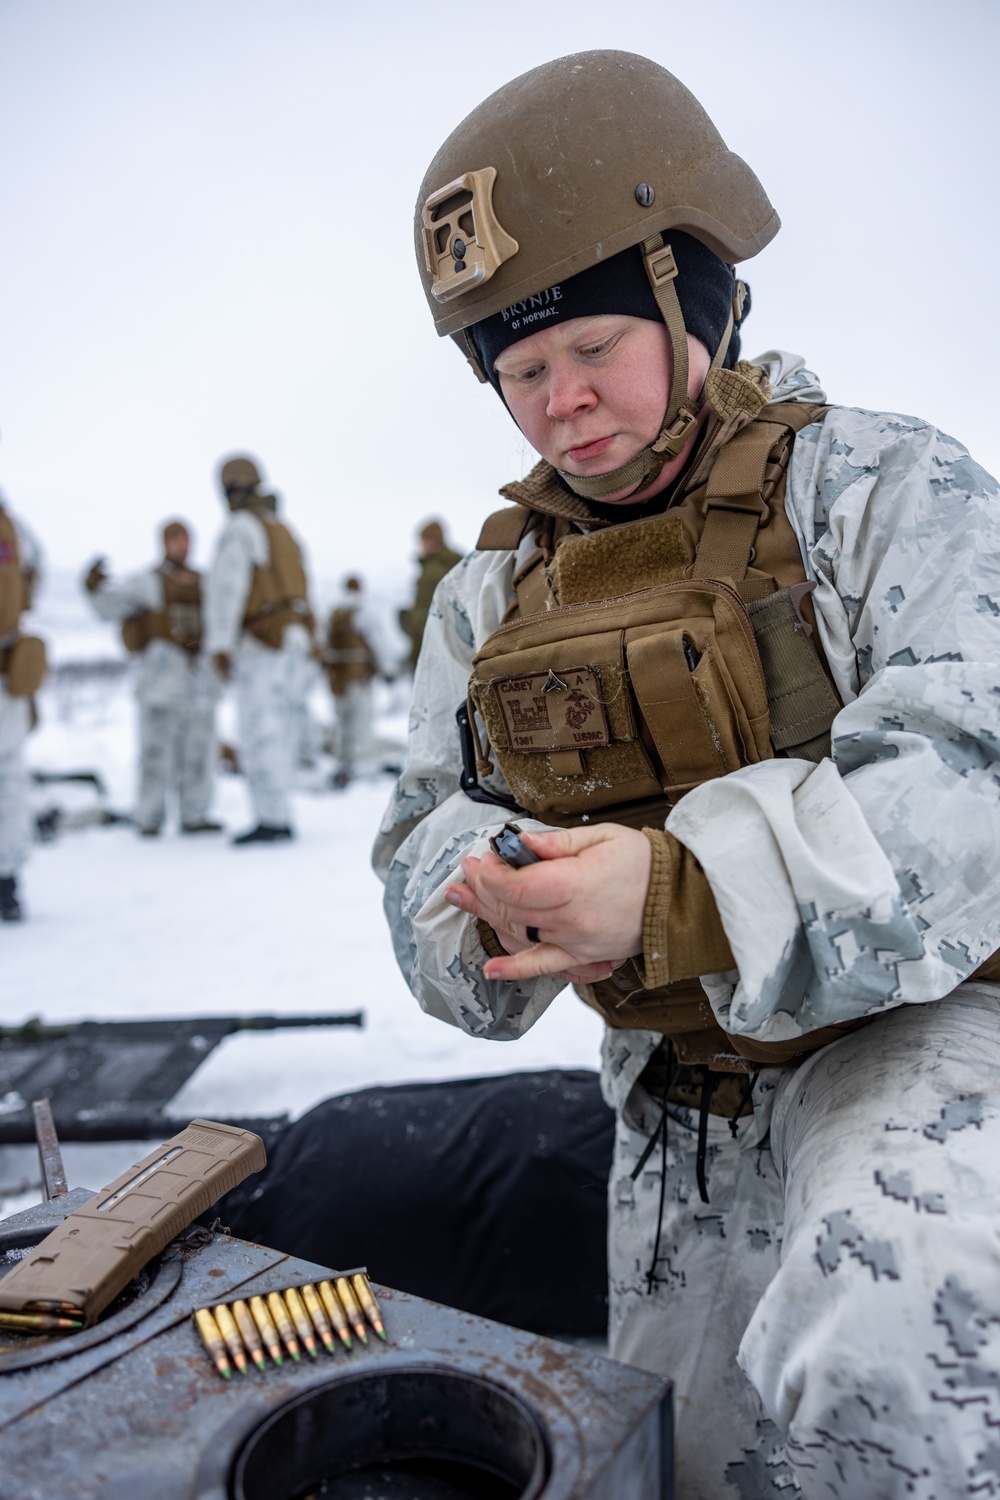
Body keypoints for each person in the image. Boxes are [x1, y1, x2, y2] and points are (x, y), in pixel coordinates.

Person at [374, 50, 1000, 1500]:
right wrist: (491, 907)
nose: (558, 404)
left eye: (592, 346)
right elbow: (420, 830)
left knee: (889, 1348)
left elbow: (973, 768)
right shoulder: (491, 598)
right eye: (518, 371)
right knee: (670, 1456)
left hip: (913, 1054)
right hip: (674, 1112)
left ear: (695, 296)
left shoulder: (883, 493)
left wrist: (684, 890)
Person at [83, 521, 221, 837]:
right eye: (175, 539)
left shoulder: (206, 583)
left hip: (198, 684)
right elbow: (110, 607)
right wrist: (93, 588)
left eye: (186, 538)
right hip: (159, 685)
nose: (182, 545)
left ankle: (195, 815)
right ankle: (149, 817)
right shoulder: (146, 583)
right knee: (155, 757)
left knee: (199, 756)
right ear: (164, 543)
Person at [204, 454, 313, 844]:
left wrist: (219, 643)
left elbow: (226, 589)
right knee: (281, 730)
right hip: (292, 637)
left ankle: (272, 817)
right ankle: (279, 812)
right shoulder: (281, 528)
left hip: (262, 641)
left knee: (259, 730)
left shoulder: (240, 528)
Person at [0, 495, 45, 921]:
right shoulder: (13, 527)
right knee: (9, 776)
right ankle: (8, 884)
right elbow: (35, 572)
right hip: (7, 661)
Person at [323, 574, 385, 788]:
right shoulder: (362, 611)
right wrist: (383, 667)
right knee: (361, 718)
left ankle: (343, 760)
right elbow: (377, 641)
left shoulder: (333, 612)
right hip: (358, 673)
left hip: (337, 675)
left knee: (341, 719)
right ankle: (361, 763)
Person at [400, 519, 461, 670]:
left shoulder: (432, 572)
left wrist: (414, 657)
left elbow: (423, 619)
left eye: (423, 541)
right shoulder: (457, 565)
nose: (420, 546)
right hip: (456, 649)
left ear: (433, 541)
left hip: (433, 654)